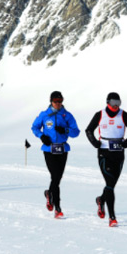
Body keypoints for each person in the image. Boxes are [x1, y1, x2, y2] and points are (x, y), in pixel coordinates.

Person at [85, 92, 127, 227]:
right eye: (113, 103)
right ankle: (112, 217)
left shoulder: (124, 115)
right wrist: (94, 142)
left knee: (112, 185)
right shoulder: (100, 114)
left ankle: (101, 200)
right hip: (104, 152)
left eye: (118, 103)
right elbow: (89, 130)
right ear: (107, 102)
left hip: (119, 153)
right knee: (109, 183)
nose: (116, 106)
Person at [31, 90, 80, 219]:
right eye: (56, 101)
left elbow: (76, 132)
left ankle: (49, 194)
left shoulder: (67, 115)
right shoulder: (44, 115)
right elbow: (34, 128)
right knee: (55, 177)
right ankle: (57, 208)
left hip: (62, 149)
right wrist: (42, 136)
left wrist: (65, 130)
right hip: (49, 149)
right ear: (51, 101)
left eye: (60, 101)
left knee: (57, 178)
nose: (58, 104)